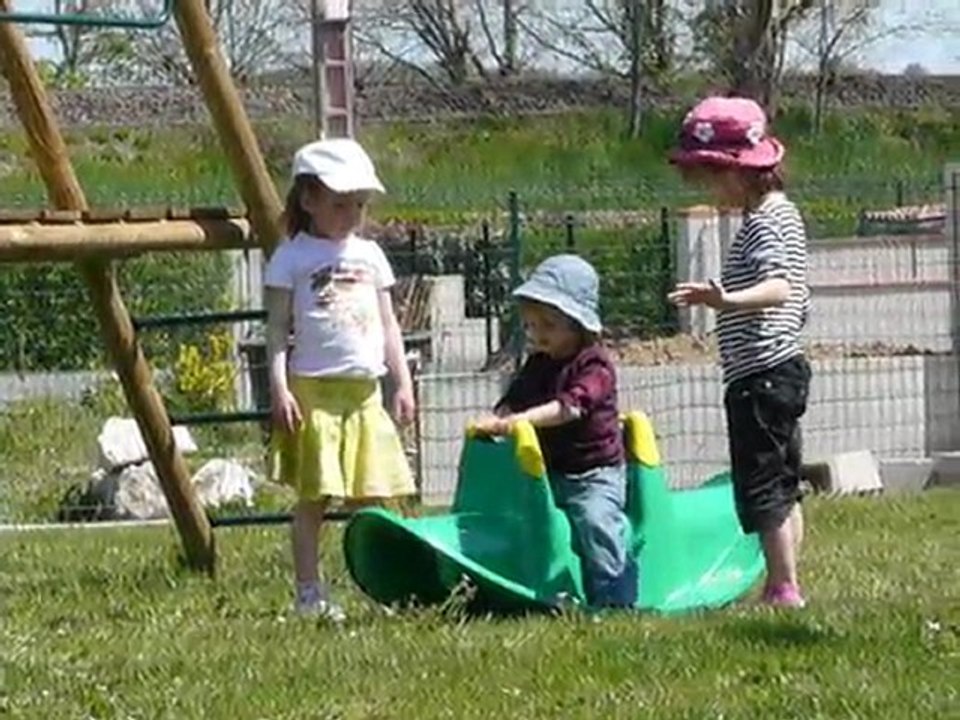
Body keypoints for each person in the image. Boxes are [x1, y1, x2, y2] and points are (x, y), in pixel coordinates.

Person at [667, 96, 812, 609]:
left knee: (764, 487)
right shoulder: (776, 213)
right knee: (783, 481)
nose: (709, 189)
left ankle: (783, 586)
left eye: (711, 177)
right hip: (779, 372)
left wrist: (724, 300)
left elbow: (778, 288)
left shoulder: (768, 221)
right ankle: (783, 579)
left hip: (763, 377)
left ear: (741, 171)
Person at [263, 138, 416, 621]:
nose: (351, 214)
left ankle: (389, 589)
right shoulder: (291, 258)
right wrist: (280, 386)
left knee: (376, 499)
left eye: (359, 204)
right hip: (315, 394)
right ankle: (309, 594)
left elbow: (390, 326)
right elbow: (275, 331)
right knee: (315, 498)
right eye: (339, 204)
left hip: (365, 394)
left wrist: (403, 382)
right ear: (308, 200)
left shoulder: (371, 256)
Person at [472, 254, 637, 610]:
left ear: (577, 323)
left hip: (594, 473)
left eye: (548, 324)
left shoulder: (594, 364)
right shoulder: (538, 364)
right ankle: (542, 589)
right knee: (529, 522)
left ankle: (614, 596)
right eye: (531, 325)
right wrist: (497, 419)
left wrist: (523, 420)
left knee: (595, 522)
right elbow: (513, 401)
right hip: (549, 471)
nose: (537, 334)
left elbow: (570, 407)